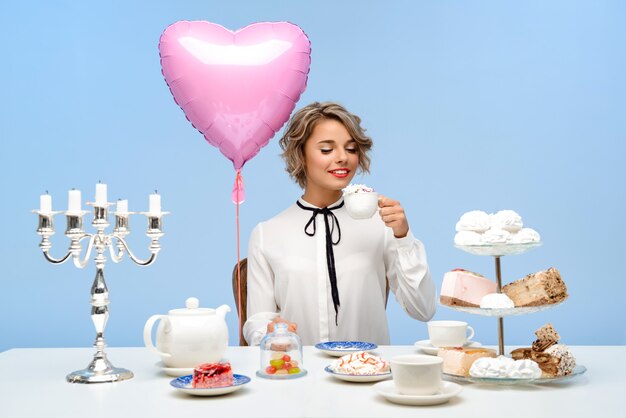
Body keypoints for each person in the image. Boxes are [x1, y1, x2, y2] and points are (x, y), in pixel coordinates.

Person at [243, 102, 436, 346]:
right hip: (299, 376)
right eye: (326, 150)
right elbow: (258, 320)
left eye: (351, 149)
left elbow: (423, 309)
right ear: (300, 154)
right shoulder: (267, 234)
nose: (343, 158)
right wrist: (268, 334)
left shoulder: (382, 223)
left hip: (367, 375)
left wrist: (403, 237)